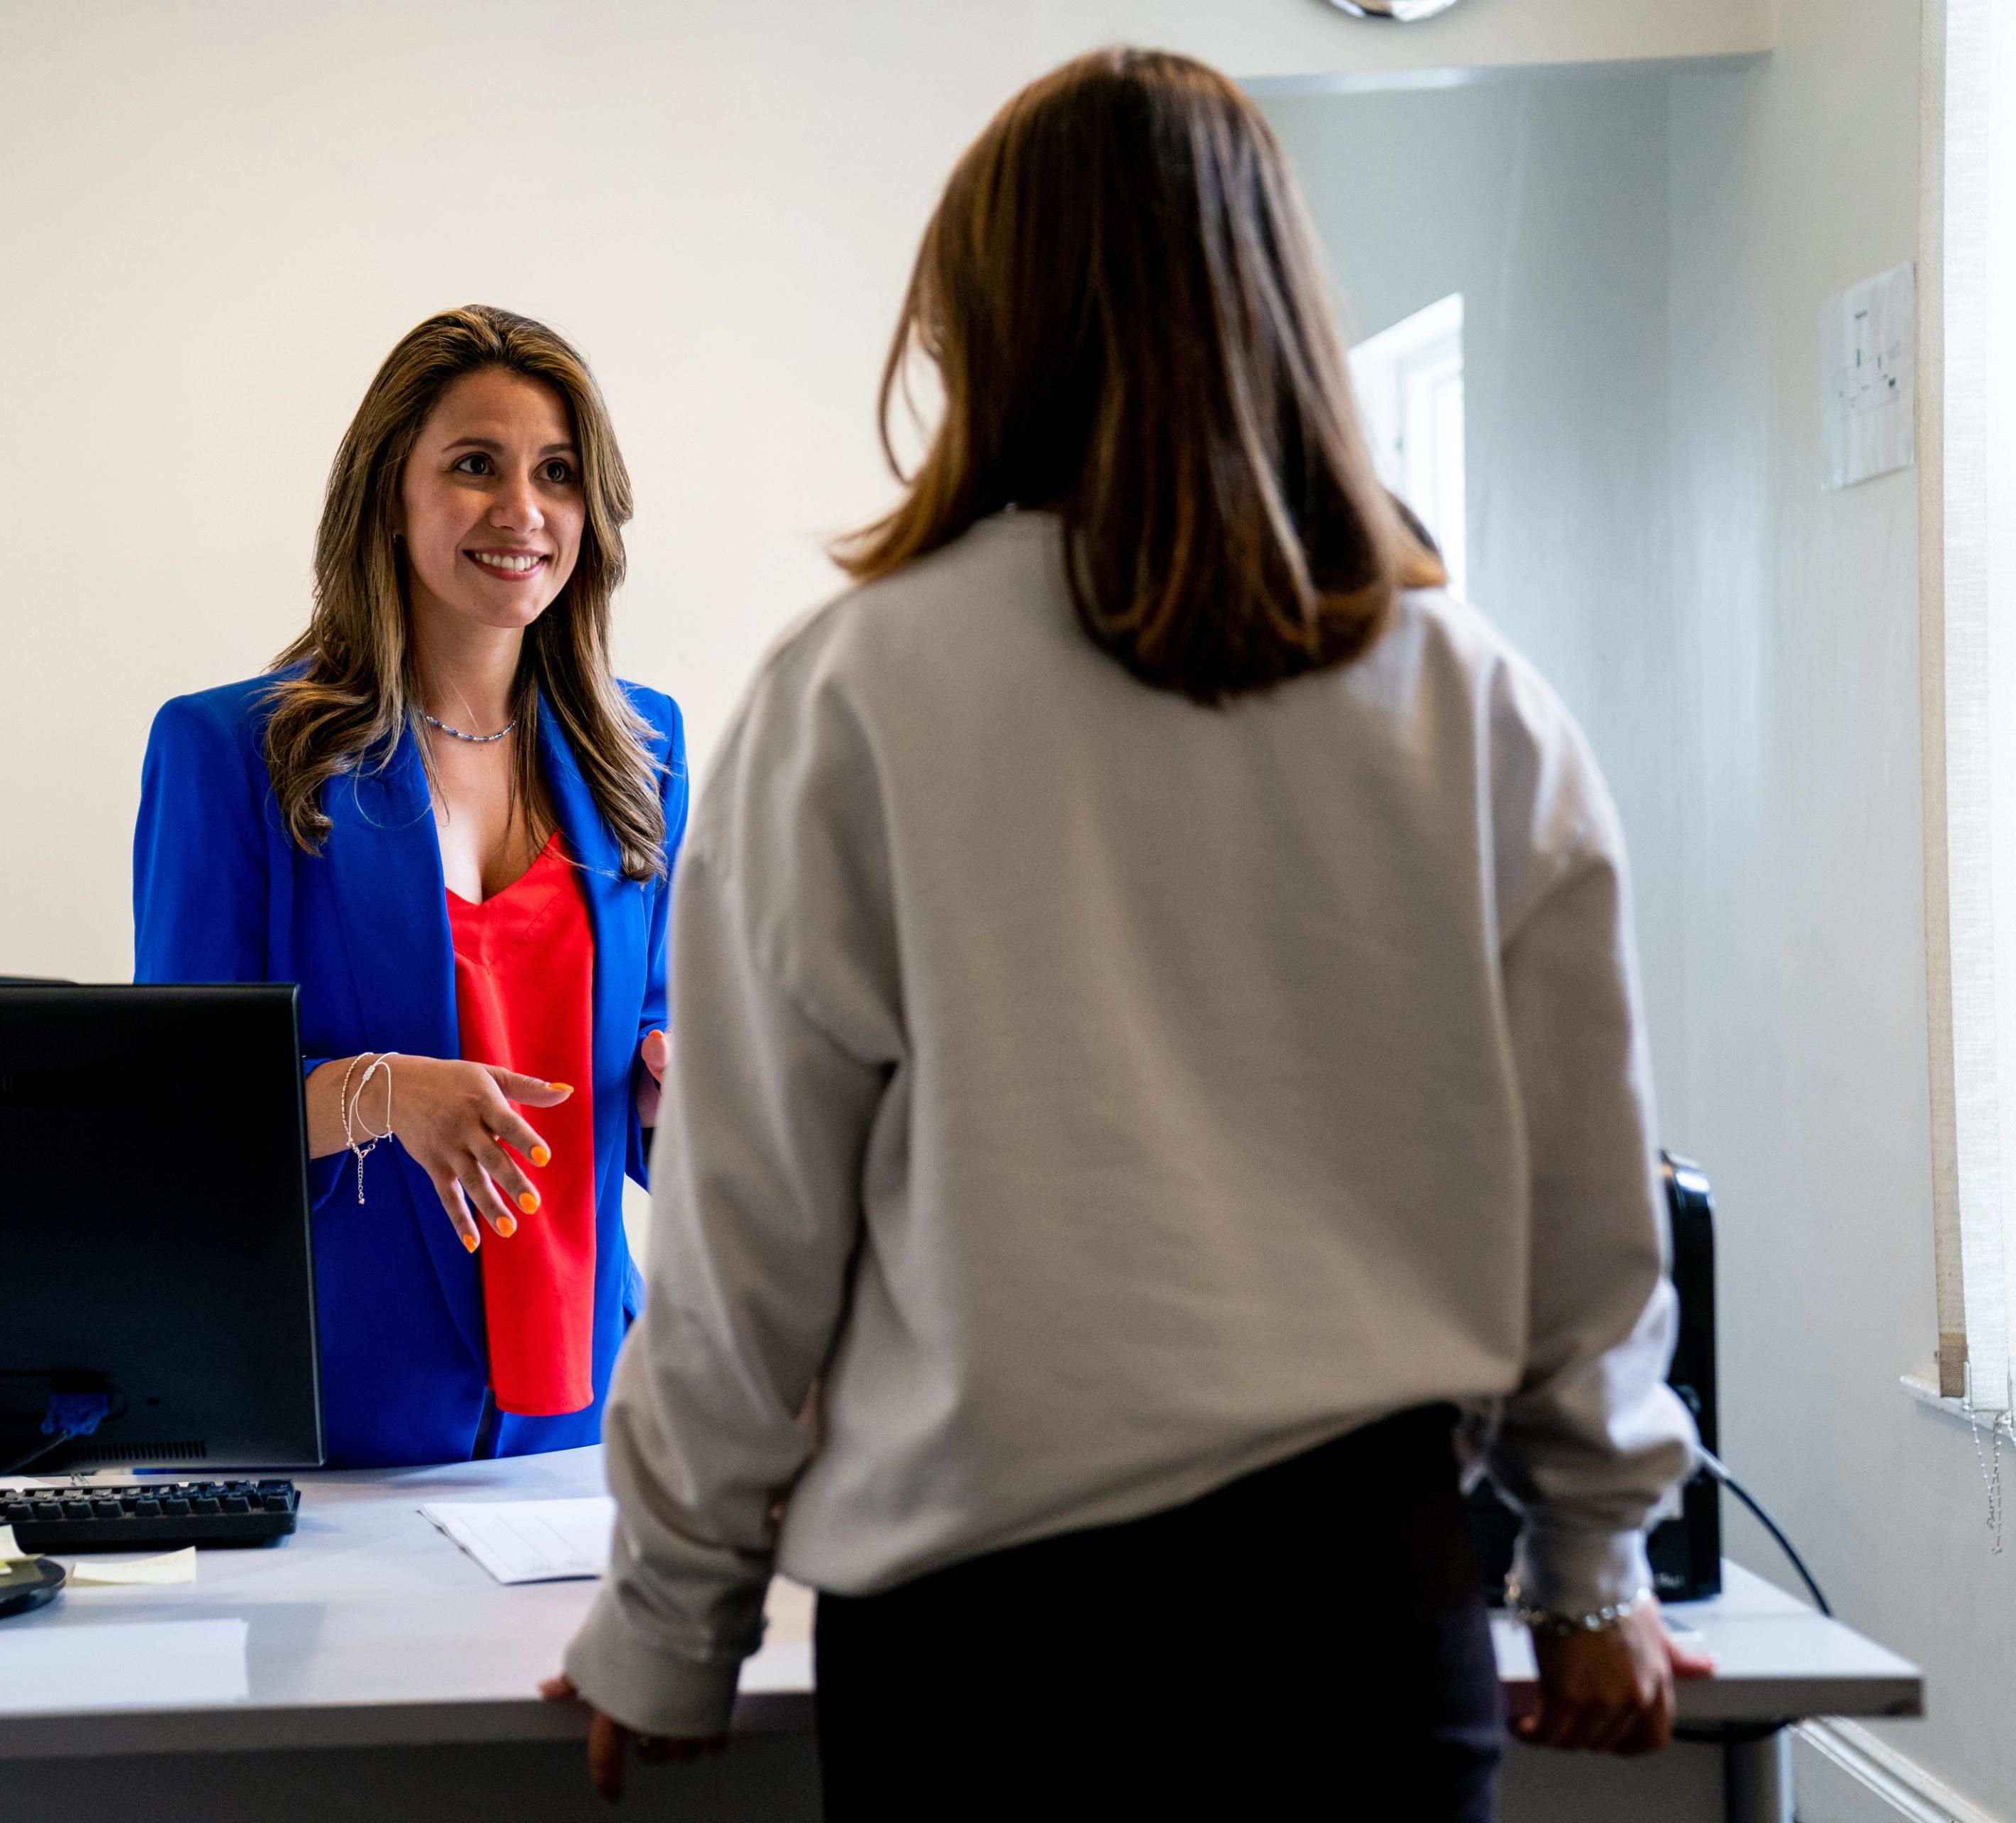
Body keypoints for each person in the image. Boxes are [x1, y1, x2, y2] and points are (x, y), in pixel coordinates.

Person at [545, 47, 1707, 1815]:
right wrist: (1591, 1567)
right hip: (1359, 1629)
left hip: (982, 1651)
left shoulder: (854, 695)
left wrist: (672, 1612)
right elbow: (1587, 1211)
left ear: (985, 324)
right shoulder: (1471, 708)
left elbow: (745, 1237)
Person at [133, 305, 686, 1468]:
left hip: (585, 1417)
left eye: (558, 475)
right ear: (391, 493)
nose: (521, 511)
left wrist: (671, 1097)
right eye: (474, 466)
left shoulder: (646, 753)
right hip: (333, 1420)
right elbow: (179, 1124)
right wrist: (381, 1096)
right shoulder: (230, 750)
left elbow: (649, 1062)